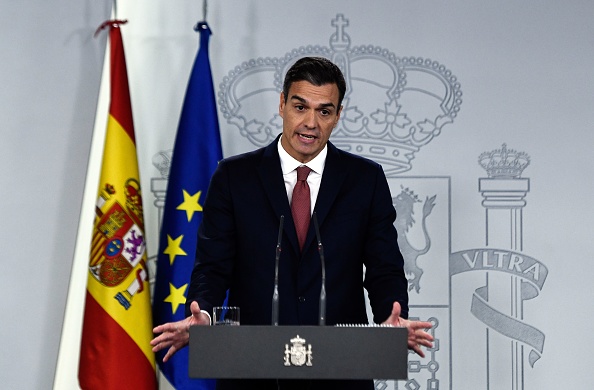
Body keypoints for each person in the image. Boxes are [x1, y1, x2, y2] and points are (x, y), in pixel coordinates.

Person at [151, 56, 434, 389]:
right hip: (253, 371)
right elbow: (212, 267)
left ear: (338, 115)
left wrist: (391, 316)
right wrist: (205, 314)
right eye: (300, 107)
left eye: (324, 111)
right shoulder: (234, 177)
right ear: (282, 104)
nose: (311, 123)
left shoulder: (364, 179)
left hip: (340, 372)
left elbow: (383, 266)